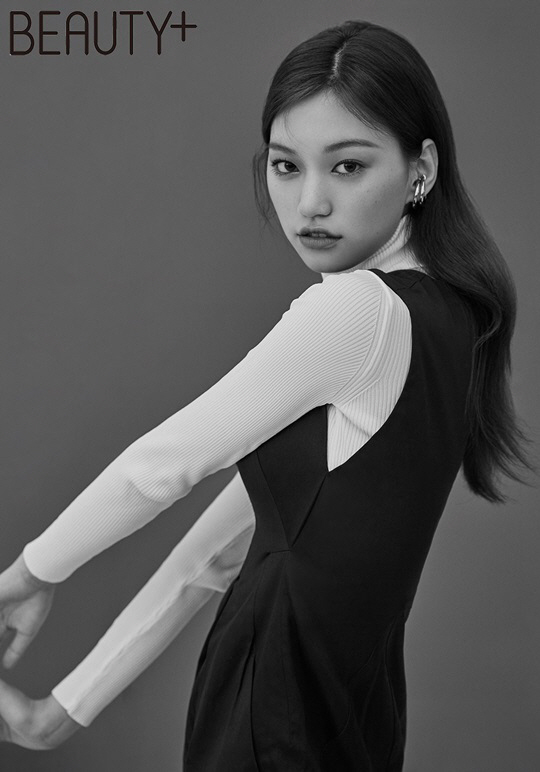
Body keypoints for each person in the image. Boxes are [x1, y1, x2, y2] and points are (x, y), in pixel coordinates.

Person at [0, 19, 530, 771]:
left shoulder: (358, 312)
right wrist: (66, 708)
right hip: (355, 712)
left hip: (272, 708)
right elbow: (221, 552)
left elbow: (163, 467)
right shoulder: (455, 314)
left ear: (421, 169)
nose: (309, 202)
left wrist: (30, 575)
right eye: (286, 166)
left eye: (348, 166)